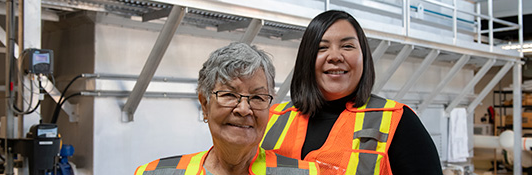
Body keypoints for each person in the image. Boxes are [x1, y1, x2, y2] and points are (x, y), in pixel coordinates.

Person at [260, 10, 443, 175]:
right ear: (306, 59)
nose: (335, 56)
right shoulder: (269, 119)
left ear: (364, 56)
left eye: (347, 46)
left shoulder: (399, 122)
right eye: (322, 48)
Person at [135, 42, 319, 175]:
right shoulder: (153, 173)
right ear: (205, 104)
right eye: (229, 95)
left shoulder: (304, 173)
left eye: (257, 97)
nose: (244, 109)